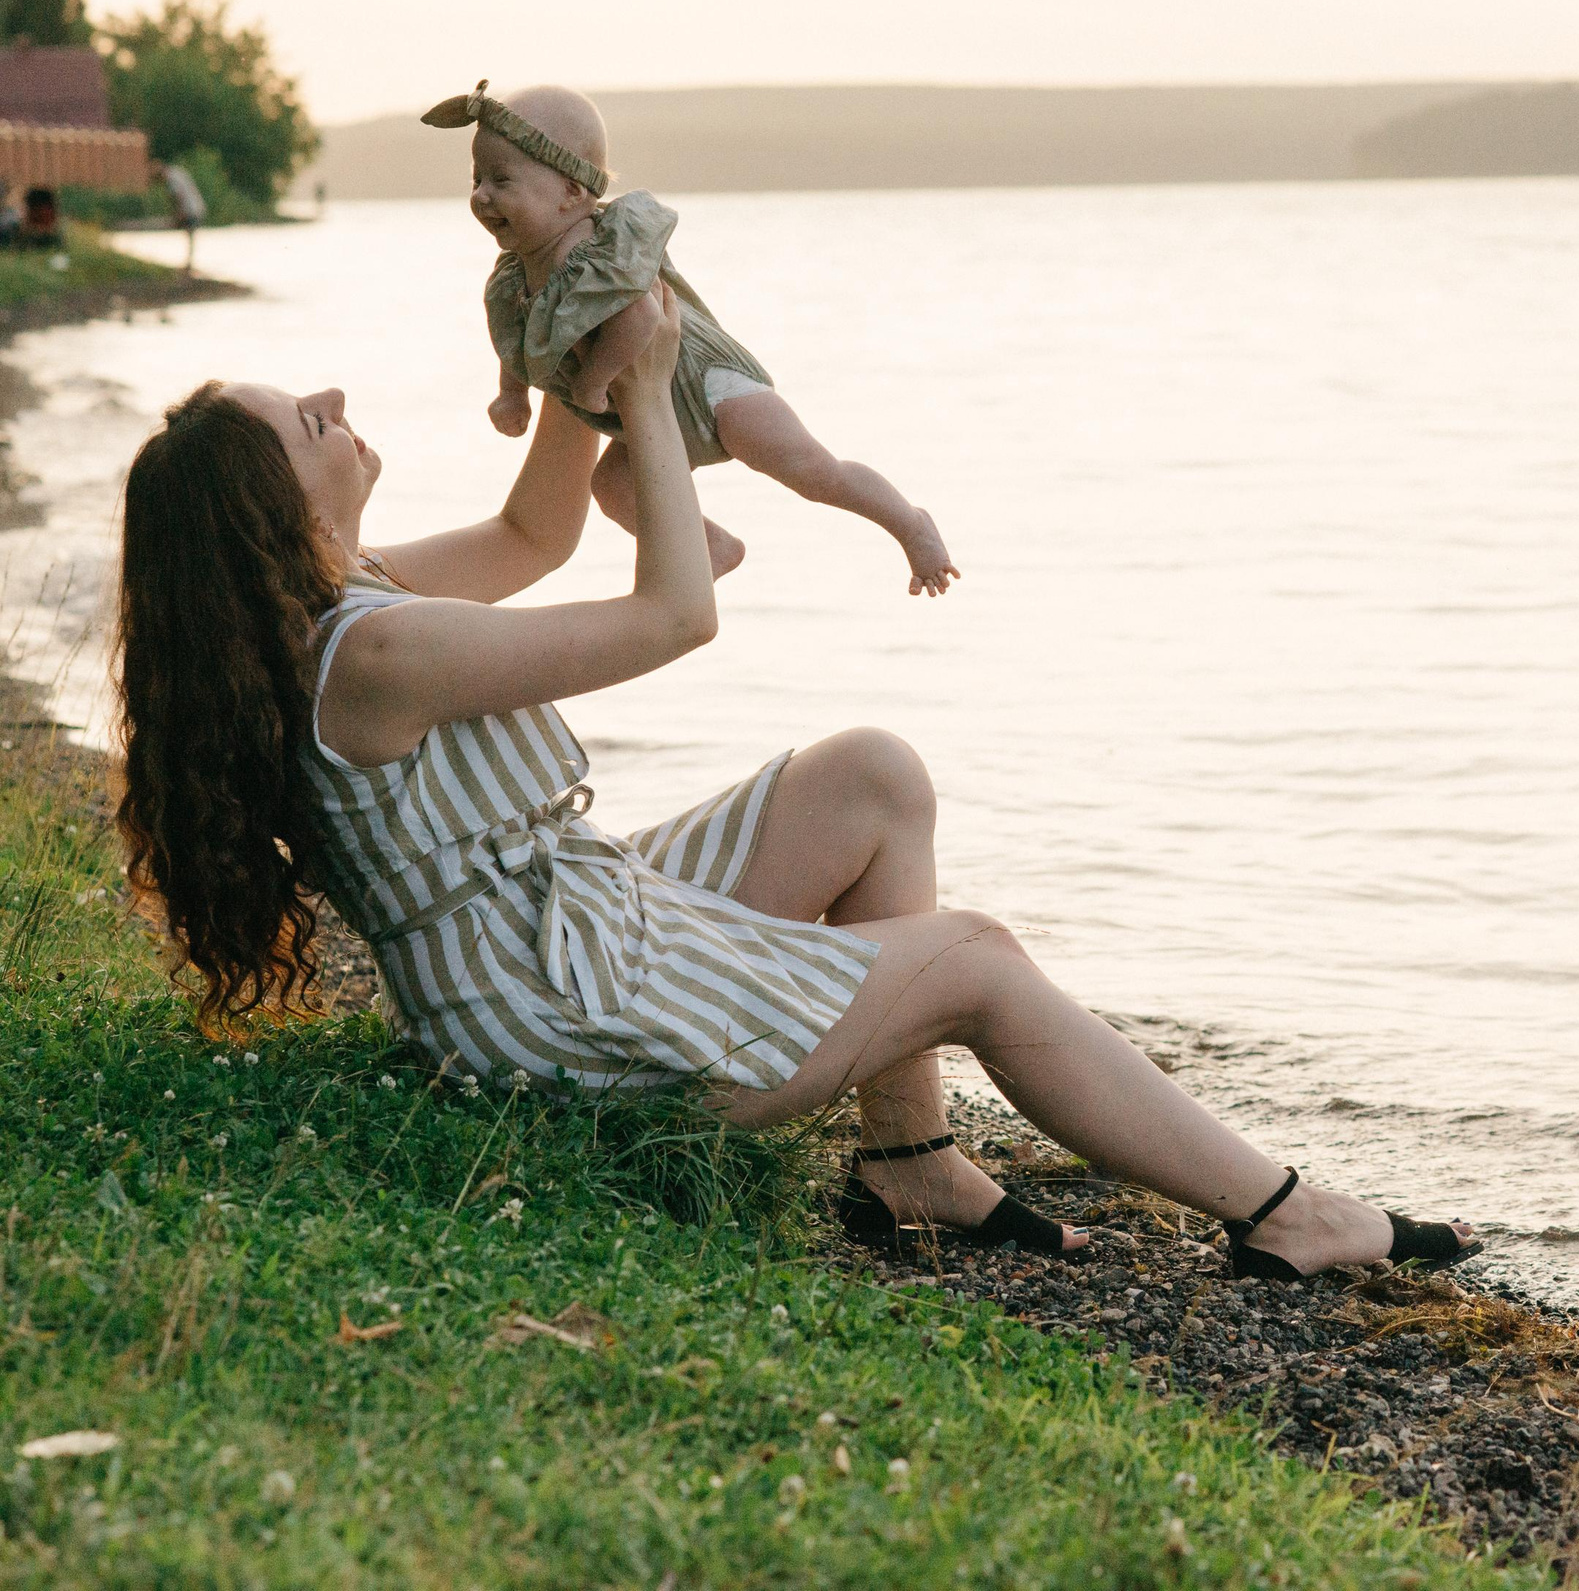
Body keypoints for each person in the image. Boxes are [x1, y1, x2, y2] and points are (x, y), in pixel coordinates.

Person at [110, 293, 1476, 1280]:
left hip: (555, 936)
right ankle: (1284, 1207)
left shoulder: (346, 606)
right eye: (305, 419)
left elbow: (536, 529)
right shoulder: (380, 652)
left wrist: (575, 330)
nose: (334, 402)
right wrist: (646, 394)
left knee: (869, 778)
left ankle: (912, 1161)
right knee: (978, 962)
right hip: (559, 1018)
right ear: (269, 509)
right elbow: (672, 617)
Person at [423, 80, 957, 593]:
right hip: (642, 418)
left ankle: (910, 524)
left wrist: (594, 380)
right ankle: (711, 547)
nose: (482, 196)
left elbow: (641, 321)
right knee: (611, 488)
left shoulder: (601, 259)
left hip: (707, 387)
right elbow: (513, 335)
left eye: (501, 180)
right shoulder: (516, 276)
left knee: (812, 471)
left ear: (570, 192)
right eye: (476, 180)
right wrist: (511, 394)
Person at [161, 161, 208, 276]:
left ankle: (189, 265)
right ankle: (189, 264)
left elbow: (179, 196)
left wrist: (179, 214)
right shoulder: (177, 171)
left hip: (190, 210)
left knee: (190, 235)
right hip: (196, 207)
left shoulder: (171, 178)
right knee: (190, 236)